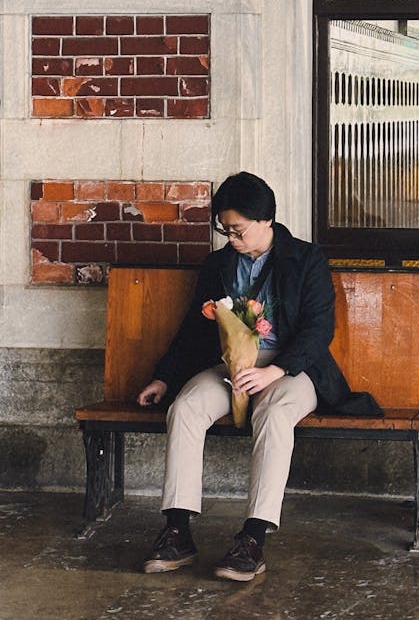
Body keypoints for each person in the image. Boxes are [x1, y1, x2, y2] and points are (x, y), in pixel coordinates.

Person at [137, 171, 381, 581]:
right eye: (225, 230)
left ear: (266, 220)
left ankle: (252, 538)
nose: (230, 239)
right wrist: (163, 377)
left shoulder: (306, 259)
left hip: (292, 368)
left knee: (274, 415)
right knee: (186, 408)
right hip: (233, 366)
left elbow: (319, 330)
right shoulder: (218, 265)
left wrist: (274, 371)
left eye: (237, 230)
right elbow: (194, 331)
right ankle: (177, 530)